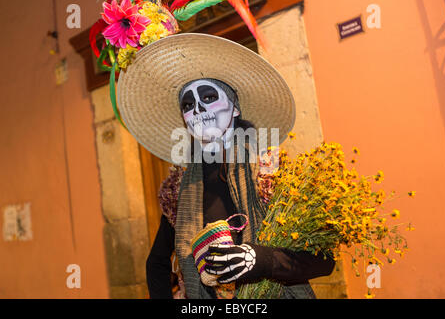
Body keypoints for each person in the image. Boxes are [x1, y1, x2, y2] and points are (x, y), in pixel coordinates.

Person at [117, 33, 335, 299]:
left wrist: (261, 259)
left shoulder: (270, 172)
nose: (197, 109)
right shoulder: (179, 191)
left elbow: (323, 259)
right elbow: (157, 263)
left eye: (208, 97)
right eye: (187, 105)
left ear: (234, 109)